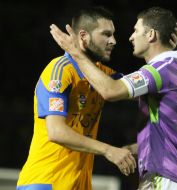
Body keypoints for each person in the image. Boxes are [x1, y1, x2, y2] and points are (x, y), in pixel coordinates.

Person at [50, 6, 177, 190]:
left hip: (164, 177)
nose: (130, 37)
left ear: (151, 35)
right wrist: (131, 150)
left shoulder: (159, 71)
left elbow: (110, 90)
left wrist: (75, 52)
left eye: (136, 30)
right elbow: (167, 131)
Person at [16, 7, 137, 190]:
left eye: (113, 34)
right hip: (46, 182)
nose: (113, 41)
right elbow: (56, 132)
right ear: (83, 36)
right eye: (106, 34)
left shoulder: (104, 77)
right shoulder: (59, 70)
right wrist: (108, 150)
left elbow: (150, 93)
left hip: (78, 185)